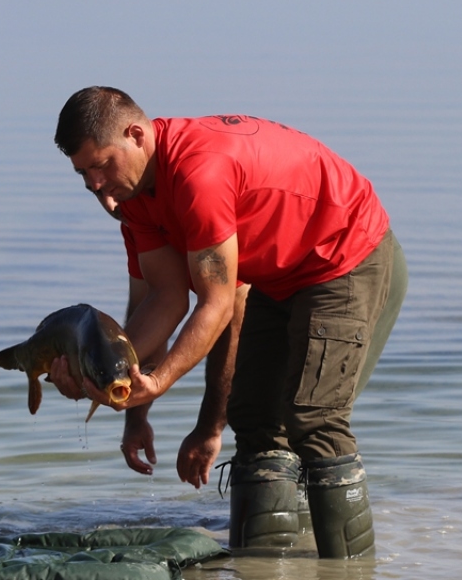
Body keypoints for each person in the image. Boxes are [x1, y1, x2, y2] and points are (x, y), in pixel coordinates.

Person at [52, 87, 407, 559]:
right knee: (255, 419)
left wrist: (158, 382)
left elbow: (217, 305)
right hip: (277, 278)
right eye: (83, 173)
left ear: (136, 135)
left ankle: (351, 569)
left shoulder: (199, 174)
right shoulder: (133, 196)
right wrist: (109, 382)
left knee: (314, 419)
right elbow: (164, 300)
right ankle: (259, 565)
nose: (95, 185)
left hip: (343, 257)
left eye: (101, 165)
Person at [49, 193, 248, 490]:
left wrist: (209, 429)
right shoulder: (136, 220)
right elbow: (150, 317)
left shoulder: (196, 203)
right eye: (96, 193)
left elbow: (232, 316)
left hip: (296, 291)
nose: (110, 204)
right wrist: (135, 417)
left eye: (108, 183)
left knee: (265, 433)